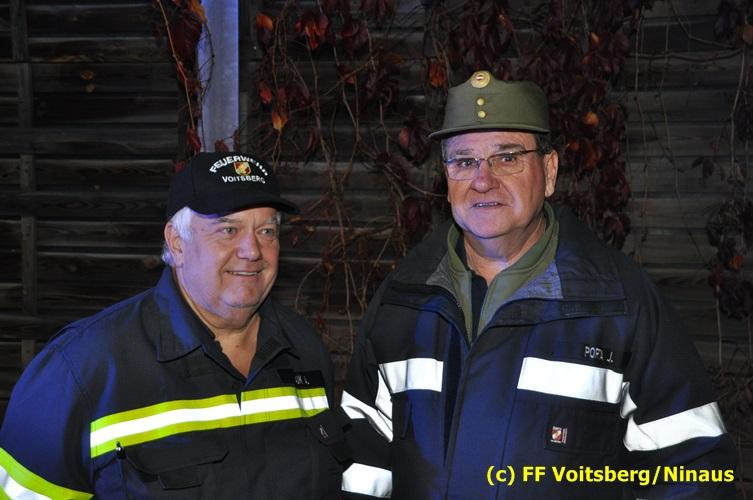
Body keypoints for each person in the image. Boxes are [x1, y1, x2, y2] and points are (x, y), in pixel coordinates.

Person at [340, 71, 738, 499]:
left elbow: (694, 474)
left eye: (507, 157)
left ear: (549, 171)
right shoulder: (402, 302)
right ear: (446, 177)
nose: (482, 179)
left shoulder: (618, 306)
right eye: (464, 161)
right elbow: (360, 463)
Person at [0, 152, 347, 499]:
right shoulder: (81, 369)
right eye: (228, 229)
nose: (252, 250)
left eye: (267, 231)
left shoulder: (303, 349)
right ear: (177, 242)